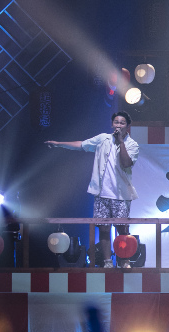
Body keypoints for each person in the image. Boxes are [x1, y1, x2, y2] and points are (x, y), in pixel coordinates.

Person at [46, 111, 139, 268]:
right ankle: (108, 261)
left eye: (122, 123)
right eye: (116, 122)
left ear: (127, 126)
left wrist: (121, 142)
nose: (118, 125)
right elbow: (82, 145)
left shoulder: (132, 144)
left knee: (122, 229)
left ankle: (124, 260)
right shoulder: (103, 139)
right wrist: (59, 144)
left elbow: (126, 163)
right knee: (104, 229)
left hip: (121, 195)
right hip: (101, 193)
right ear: (112, 124)